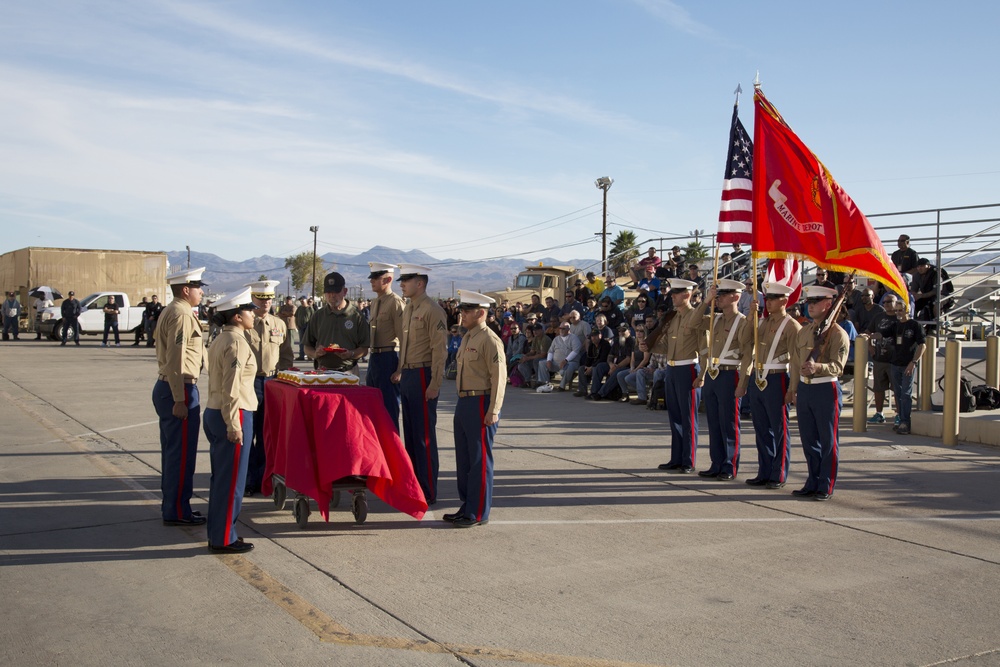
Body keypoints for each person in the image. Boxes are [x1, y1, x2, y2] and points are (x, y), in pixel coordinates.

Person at [442, 290, 507, 528]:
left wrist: (494, 409)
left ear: (481, 313)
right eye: (462, 311)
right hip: (464, 401)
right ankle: (467, 505)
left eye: (467, 311)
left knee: (479, 460)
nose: (463, 315)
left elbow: (499, 377)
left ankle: (478, 511)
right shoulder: (468, 336)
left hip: (481, 402)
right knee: (465, 459)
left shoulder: (490, 339)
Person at [202, 287, 258, 553]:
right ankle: (224, 538)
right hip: (232, 413)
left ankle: (219, 533)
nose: (253, 315)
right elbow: (232, 387)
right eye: (249, 310)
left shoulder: (220, 339)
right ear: (237, 316)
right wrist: (234, 425)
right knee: (232, 482)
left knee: (222, 479)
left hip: (216, 411)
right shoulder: (236, 342)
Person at [152, 267, 208, 526]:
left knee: (174, 452)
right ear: (186, 289)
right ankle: (177, 510)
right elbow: (175, 358)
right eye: (199, 287)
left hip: (173, 386)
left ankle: (174, 506)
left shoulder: (172, 310)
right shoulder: (182, 314)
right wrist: (179, 399)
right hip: (180, 387)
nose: (201, 291)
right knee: (181, 455)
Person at [391, 264, 447, 505]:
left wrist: (435, 383)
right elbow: (405, 344)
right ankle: (414, 485)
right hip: (409, 376)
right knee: (411, 435)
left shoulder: (433, 310)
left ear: (420, 283)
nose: (401, 284)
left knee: (424, 436)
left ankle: (428, 490)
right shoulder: (409, 308)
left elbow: (439, 350)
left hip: (424, 374)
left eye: (406, 280)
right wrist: (400, 370)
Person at [788, 286, 850, 501]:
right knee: (808, 439)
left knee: (827, 439)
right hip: (805, 389)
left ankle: (826, 483)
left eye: (816, 300)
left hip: (825, 388)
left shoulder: (838, 334)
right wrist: (793, 389)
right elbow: (795, 363)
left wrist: (819, 368)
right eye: (809, 301)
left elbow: (838, 366)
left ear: (828, 304)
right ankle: (812, 480)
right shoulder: (805, 331)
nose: (810, 304)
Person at [744, 282, 802, 489]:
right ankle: (765, 470)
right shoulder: (764, 322)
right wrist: (751, 315)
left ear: (785, 301)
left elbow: (796, 360)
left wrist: (793, 388)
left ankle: (779, 473)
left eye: (772, 299)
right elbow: (745, 340)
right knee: (761, 428)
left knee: (780, 429)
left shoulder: (792, 326)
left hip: (777, 377)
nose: (767, 302)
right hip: (758, 377)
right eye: (767, 298)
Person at [697, 279, 753, 480]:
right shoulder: (715, 318)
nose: (718, 298)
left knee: (729, 422)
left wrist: (743, 382)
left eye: (723, 295)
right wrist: (706, 301)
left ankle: (730, 464)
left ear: (736, 297)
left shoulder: (744, 322)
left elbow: (748, 355)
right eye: (718, 295)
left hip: (730, 374)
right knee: (713, 422)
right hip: (713, 374)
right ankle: (716, 462)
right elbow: (692, 322)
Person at [243, 280, 294, 497]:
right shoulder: (245, 323)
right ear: (253, 299)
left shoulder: (279, 324)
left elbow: (286, 354)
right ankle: (247, 480)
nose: (265, 303)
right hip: (250, 382)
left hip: (272, 382)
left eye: (269, 299)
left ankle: (264, 477)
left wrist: (283, 377)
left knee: (268, 435)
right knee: (248, 434)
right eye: (261, 299)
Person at [653, 279, 707, 474]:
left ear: (687, 294)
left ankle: (689, 460)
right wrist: (649, 346)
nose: (672, 296)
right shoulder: (673, 318)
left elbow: (704, 349)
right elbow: (666, 345)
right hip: (672, 369)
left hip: (688, 369)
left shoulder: (696, 317)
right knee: (674, 416)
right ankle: (676, 457)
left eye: (676, 293)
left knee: (688, 417)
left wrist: (703, 374)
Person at [365, 262, 406, 430]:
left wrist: (400, 369)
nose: (372, 281)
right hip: (374, 358)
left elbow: (404, 339)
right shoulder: (375, 303)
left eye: (376, 278)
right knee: (371, 408)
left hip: (389, 358)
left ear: (388, 279)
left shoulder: (396, 303)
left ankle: (392, 449)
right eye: (372, 278)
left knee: (389, 409)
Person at [883, 300, 926, 435]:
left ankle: (905, 422)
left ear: (907, 311)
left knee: (905, 394)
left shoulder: (915, 325)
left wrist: (914, 362)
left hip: (908, 364)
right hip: (895, 363)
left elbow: (922, 345)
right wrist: (868, 335)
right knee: (898, 393)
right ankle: (901, 419)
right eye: (896, 311)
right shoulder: (895, 325)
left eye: (900, 310)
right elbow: (881, 333)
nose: (898, 313)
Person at [867, 294, 901, 425]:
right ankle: (879, 413)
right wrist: (869, 345)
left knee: (897, 388)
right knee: (878, 388)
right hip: (880, 358)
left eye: (889, 301)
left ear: (895, 302)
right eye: (884, 301)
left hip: (895, 360)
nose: (886, 304)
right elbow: (868, 332)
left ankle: (898, 414)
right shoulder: (878, 317)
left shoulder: (900, 318)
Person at [538, 321, 582, 391]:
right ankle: (545, 384)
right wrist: (549, 360)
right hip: (556, 362)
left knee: (569, 367)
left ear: (568, 330)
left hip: (570, 362)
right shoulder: (556, 339)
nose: (561, 330)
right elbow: (550, 351)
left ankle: (562, 386)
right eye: (560, 328)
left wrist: (565, 360)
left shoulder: (574, 338)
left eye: (563, 328)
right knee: (542, 363)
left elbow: (575, 351)